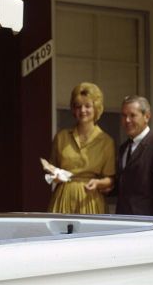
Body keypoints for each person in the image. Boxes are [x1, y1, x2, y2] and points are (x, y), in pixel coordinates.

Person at [86, 95, 153, 217]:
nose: (127, 120)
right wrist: (103, 185)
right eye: (124, 116)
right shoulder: (124, 148)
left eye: (132, 115)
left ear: (147, 116)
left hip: (147, 226)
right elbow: (125, 185)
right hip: (124, 221)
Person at [44, 82, 115, 214]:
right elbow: (51, 170)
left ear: (96, 108)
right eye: (78, 106)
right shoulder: (61, 137)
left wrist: (98, 184)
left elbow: (110, 179)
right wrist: (54, 175)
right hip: (63, 199)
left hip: (90, 200)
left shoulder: (106, 141)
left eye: (87, 106)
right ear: (73, 109)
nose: (82, 110)